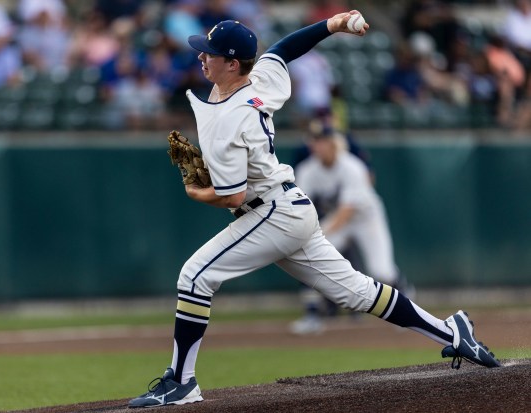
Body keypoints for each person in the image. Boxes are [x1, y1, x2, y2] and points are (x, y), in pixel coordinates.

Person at [128, 11, 501, 409]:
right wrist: (333, 24)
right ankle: (451, 332)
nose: (201, 58)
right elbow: (283, 49)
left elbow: (233, 197)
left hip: (271, 213)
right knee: (358, 292)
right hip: (288, 210)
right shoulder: (259, 81)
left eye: (210, 54)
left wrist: (195, 191)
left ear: (233, 63)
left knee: (195, 276)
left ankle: (181, 382)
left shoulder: (232, 118)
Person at [289, 123, 408, 334]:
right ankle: (313, 314)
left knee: (382, 271)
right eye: (315, 141)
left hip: (366, 219)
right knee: (308, 255)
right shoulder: (307, 170)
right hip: (339, 220)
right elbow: (301, 207)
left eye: (322, 141)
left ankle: (405, 300)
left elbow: (347, 211)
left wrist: (319, 234)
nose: (318, 146)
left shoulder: (352, 167)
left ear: (333, 143)